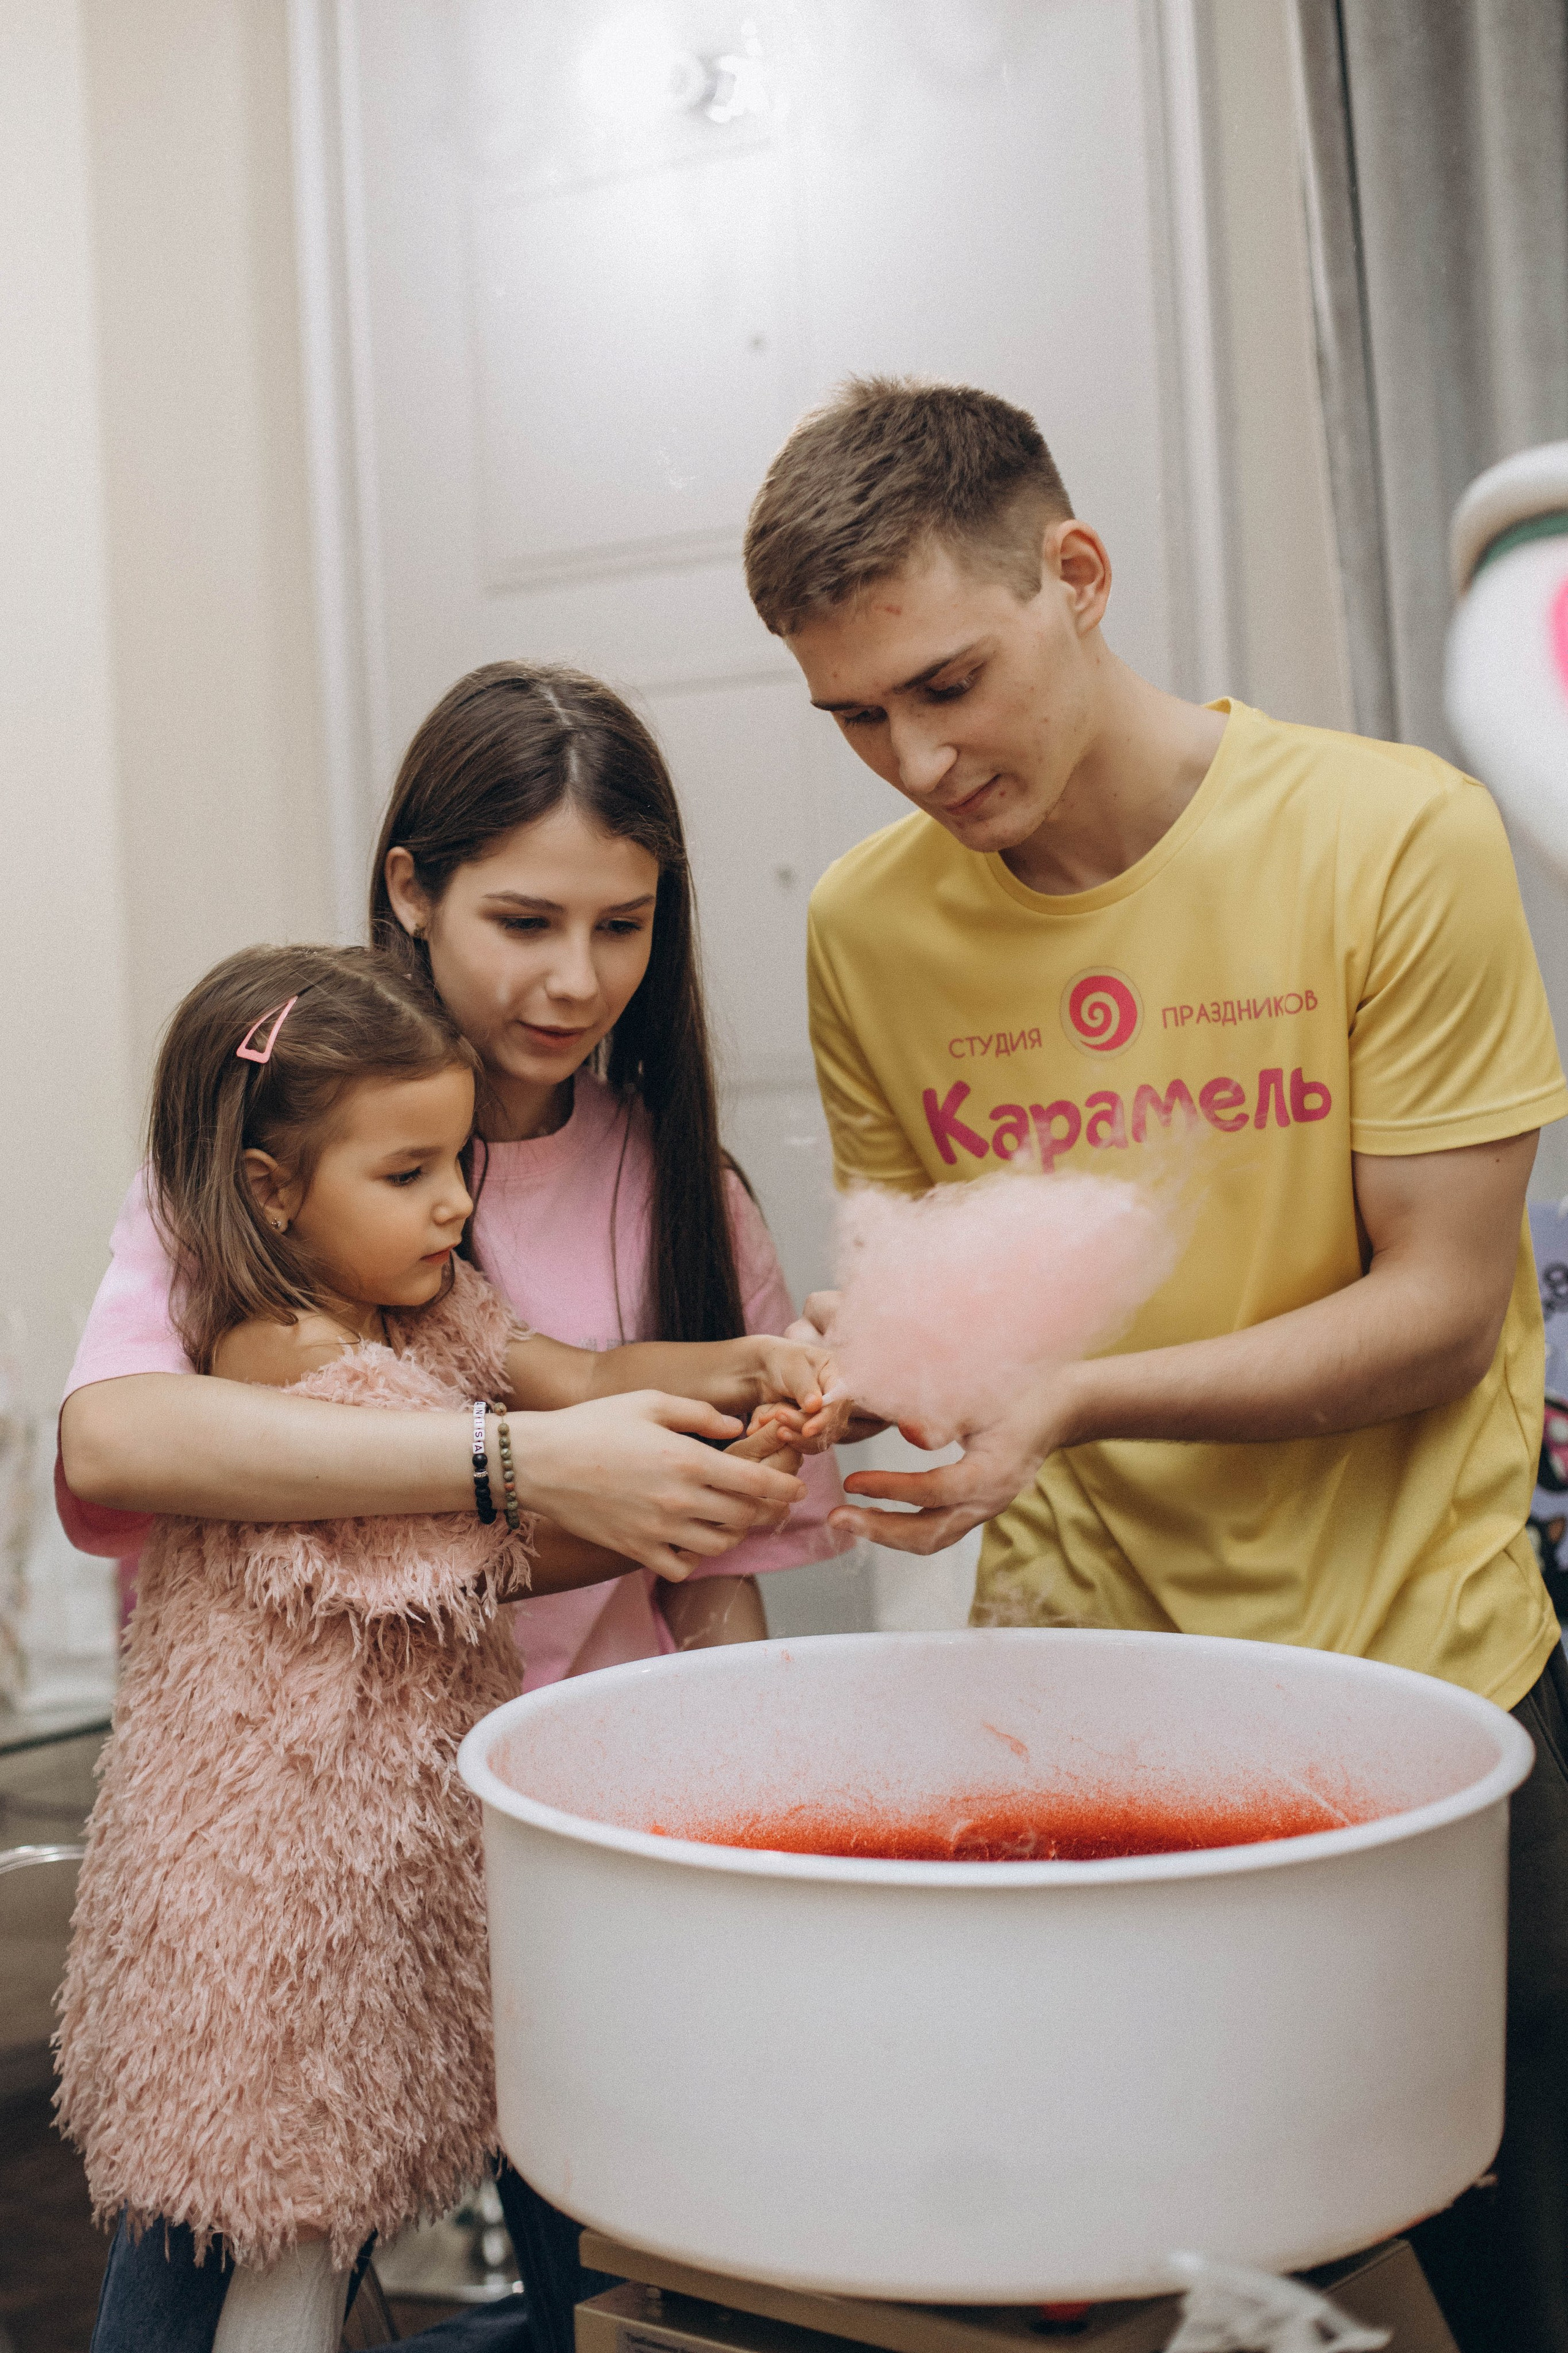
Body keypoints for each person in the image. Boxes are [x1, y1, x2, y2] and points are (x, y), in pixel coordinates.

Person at [745, 377, 1568, 2353]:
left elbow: (1442, 1300)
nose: (915, 760)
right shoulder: (866, 930)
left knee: (1510, 2277)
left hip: (1429, 1704)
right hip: (1094, 1725)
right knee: (1161, 2299)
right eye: (856, 717)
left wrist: (1079, 1399)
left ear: (1079, 576)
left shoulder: (1393, 837)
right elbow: (941, 1306)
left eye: (948, 679)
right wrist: (850, 1370)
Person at [57, 667, 851, 2351]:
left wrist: (757, 1394)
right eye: (523, 917)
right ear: (410, 888)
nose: (575, 977)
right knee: (211, 2284)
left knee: (632, 2310)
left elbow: (707, 1575)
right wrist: (524, 1468)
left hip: (594, 1863)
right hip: (306, 1866)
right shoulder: (265, 1165)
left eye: (623, 924)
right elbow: (124, 1444)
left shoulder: (685, 1182)